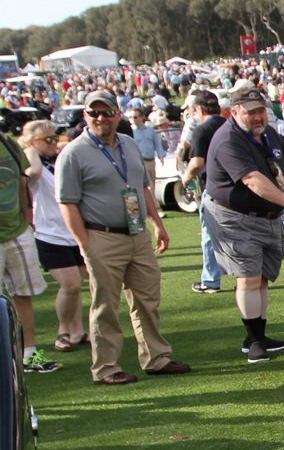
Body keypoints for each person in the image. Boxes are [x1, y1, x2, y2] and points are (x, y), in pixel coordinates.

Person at [53, 90, 189, 384]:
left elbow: (142, 188)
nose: (100, 118)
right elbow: (67, 202)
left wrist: (157, 224)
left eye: (106, 112)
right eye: (94, 113)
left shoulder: (127, 143)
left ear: (118, 113)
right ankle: (105, 368)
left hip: (137, 234)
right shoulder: (73, 153)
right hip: (101, 236)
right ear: (86, 116)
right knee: (106, 304)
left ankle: (156, 358)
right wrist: (84, 242)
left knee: (147, 298)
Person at [205, 88, 284, 363]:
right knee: (249, 277)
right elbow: (252, 180)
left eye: (260, 110)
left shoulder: (268, 133)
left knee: (261, 277)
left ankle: (258, 336)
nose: (257, 116)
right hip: (235, 217)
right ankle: (254, 343)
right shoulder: (228, 139)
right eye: (250, 112)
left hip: (265, 216)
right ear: (235, 112)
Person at [19, 122, 86, 353]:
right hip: (48, 233)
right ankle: (63, 331)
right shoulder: (32, 162)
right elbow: (33, 173)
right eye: (47, 139)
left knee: (77, 284)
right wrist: (30, 151)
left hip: (71, 231)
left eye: (55, 137)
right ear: (31, 142)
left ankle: (77, 330)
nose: (54, 142)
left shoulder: (57, 161)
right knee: (70, 283)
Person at [0, 127, 58, 372]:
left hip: (17, 232)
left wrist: (28, 223)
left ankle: (30, 355)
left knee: (23, 295)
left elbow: (23, 183)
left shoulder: (9, 143)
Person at [180, 90, 228, 293]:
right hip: (238, 186)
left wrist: (186, 178)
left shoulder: (201, 130)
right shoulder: (230, 125)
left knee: (209, 234)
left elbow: (196, 163)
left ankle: (210, 280)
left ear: (198, 109)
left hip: (213, 188)